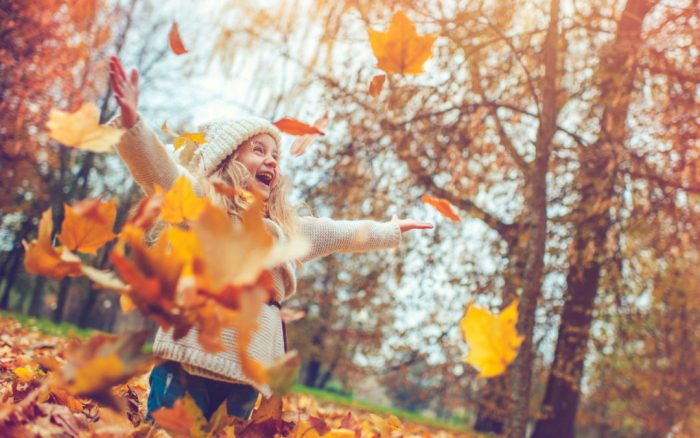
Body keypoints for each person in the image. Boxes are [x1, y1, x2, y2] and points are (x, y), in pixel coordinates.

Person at [108, 55, 433, 421]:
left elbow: (342, 232)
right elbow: (161, 172)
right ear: (227, 160)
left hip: (249, 369)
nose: (272, 161)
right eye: (258, 150)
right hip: (190, 358)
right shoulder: (203, 208)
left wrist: (388, 230)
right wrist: (132, 122)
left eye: (276, 155)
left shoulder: (285, 230)